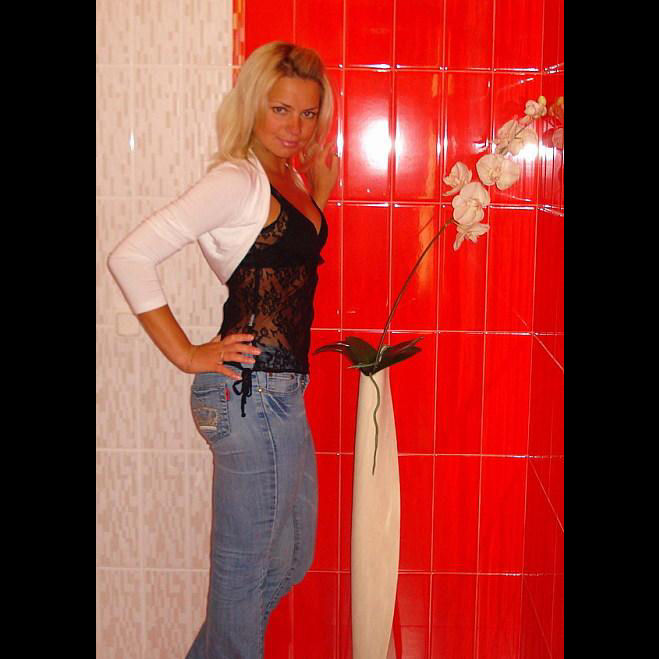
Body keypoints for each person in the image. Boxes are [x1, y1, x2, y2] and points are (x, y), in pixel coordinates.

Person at [107, 41, 339, 659]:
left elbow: (283, 260)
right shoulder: (236, 180)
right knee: (242, 574)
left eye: (308, 113)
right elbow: (130, 256)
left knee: (290, 557)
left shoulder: (286, 177)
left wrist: (317, 195)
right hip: (248, 394)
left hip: (278, 394)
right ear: (252, 106)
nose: (296, 127)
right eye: (281, 110)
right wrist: (187, 354)